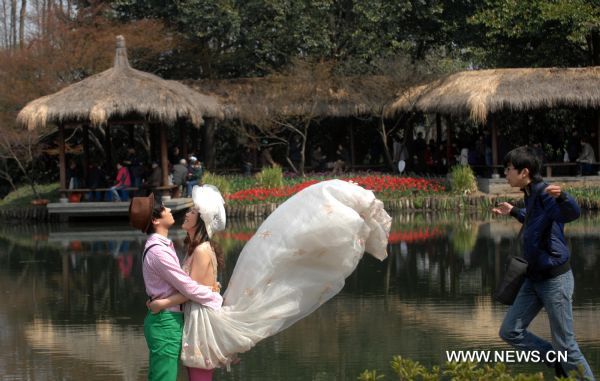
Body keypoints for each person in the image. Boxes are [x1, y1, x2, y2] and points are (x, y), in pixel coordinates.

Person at [147, 180, 391, 375]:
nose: (187, 214)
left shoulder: (200, 251)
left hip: (201, 319)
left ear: (201, 220)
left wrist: (164, 302)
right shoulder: (198, 248)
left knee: (198, 374)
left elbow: (194, 291)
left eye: (192, 211)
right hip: (197, 315)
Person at [492, 146, 594, 380]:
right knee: (510, 331)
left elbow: (571, 213)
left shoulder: (546, 192)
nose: (505, 174)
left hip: (555, 279)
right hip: (534, 278)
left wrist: (565, 197)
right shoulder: (531, 193)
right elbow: (535, 218)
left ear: (524, 172)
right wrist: (514, 212)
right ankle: (554, 358)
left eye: (508, 169)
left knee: (566, 345)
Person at [129, 194, 223, 381]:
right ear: (156, 219)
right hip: (166, 321)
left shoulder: (163, 246)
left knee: (163, 375)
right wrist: (212, 293)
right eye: (164, 208)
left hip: (169, 318)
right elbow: (188, 286)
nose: (170, 210)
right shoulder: (159, 251)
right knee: (164, 377)